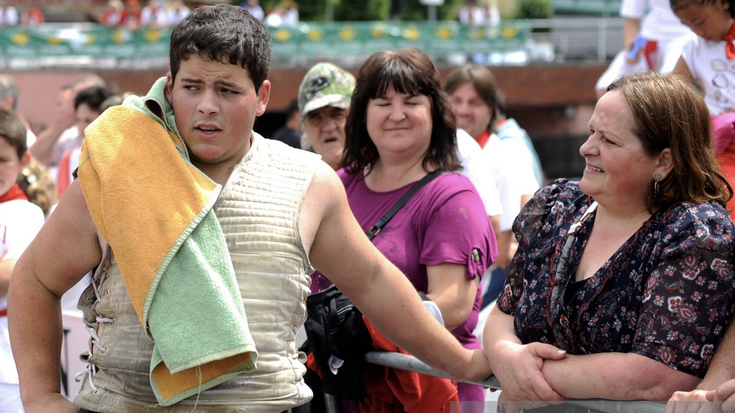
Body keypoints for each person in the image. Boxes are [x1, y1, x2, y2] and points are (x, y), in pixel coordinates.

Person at [8, 5, 491, 413]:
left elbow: (373, 282)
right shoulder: (115, 171)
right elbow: (35, 279)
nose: (206, 106)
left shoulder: (310, 181)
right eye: (192, 87)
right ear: (169, 86)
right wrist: (42, 398)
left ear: (261, 97)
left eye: (227, 90)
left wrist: (463, 363)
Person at [483, 72, 735, 413]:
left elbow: (658, 374)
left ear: (663, 161)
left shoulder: (694, 233)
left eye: (609, 141)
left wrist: (529, 377)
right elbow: (503, 312)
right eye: (591, 132)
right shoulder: (557, 205)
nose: (586, 148)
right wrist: (505, 355)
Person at [308, 47, 496, 410]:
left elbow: (452, 306)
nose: (397, 114)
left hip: (429, 392)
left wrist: (360, 324)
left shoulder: (452, 196)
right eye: (382, 102)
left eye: (411, 101)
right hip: (351, 393)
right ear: (362, 113)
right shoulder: (337, 185)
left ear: (434, 111)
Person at [298, 62, 503, 233]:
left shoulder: (449, 150)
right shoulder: (298, 187)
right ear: (304, 128)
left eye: (337, 114)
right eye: (315, 117)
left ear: (357, 116)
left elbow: (490, 226)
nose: (328, 126)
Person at [671, 0, 735, 217]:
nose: (697, 30)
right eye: (688, 25)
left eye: (699, 21)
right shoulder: (695, 45)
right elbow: (673, 89)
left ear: (722, 3)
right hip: (718, 145)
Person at [0, 108, 45, 413]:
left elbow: (11, 273)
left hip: (8, 363)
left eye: (1, 160)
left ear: (23, 161)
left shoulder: (24, 212)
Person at [594, 0, 691, 98]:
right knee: (604, 88)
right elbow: (631, 23)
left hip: (683, 37)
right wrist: (632, 49)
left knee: (667, 89)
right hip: (647, 38)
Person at [30, 76, 106, 171]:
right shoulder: (69, 138)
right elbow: (34, 158)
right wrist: (61, 124)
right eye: (74, 97)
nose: (78, 103)